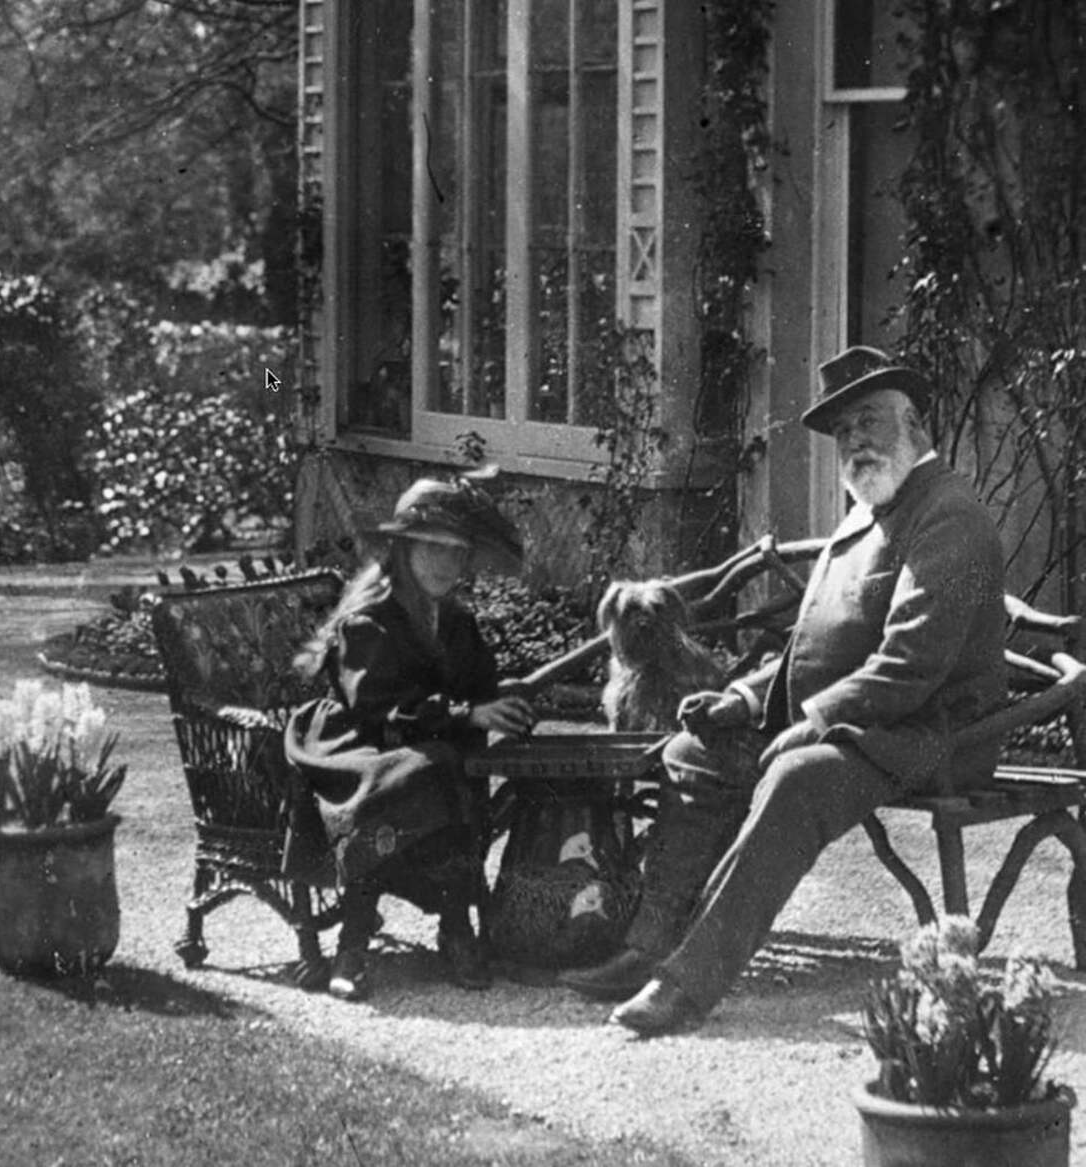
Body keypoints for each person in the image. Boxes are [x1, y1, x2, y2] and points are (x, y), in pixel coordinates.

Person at [560, 344, 1008, 1034]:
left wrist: (815, 719)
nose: (854, 441)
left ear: (915, 423)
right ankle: (648, 946)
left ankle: (686, 982)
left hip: (934, 735)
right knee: (692, 753)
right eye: (843, 431)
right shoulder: (866, 515)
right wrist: (741, 699)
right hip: (869, 726)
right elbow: (815, 645)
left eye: (869, 421)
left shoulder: (949, 515)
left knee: (795, 777)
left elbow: (912, 665)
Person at [285, 471, 536, 1002]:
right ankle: (353, 945)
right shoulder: (367, 623)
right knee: (423, 770)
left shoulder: (458, 624)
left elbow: (476, 690)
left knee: (446, 764)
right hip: (355, 748)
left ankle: (456, 926)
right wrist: (467, 713)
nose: (446, 564)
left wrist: (504, 702)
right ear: (403, 551)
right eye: (433, 549)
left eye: (457, 552)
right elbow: (379, 707)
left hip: (428, 748)